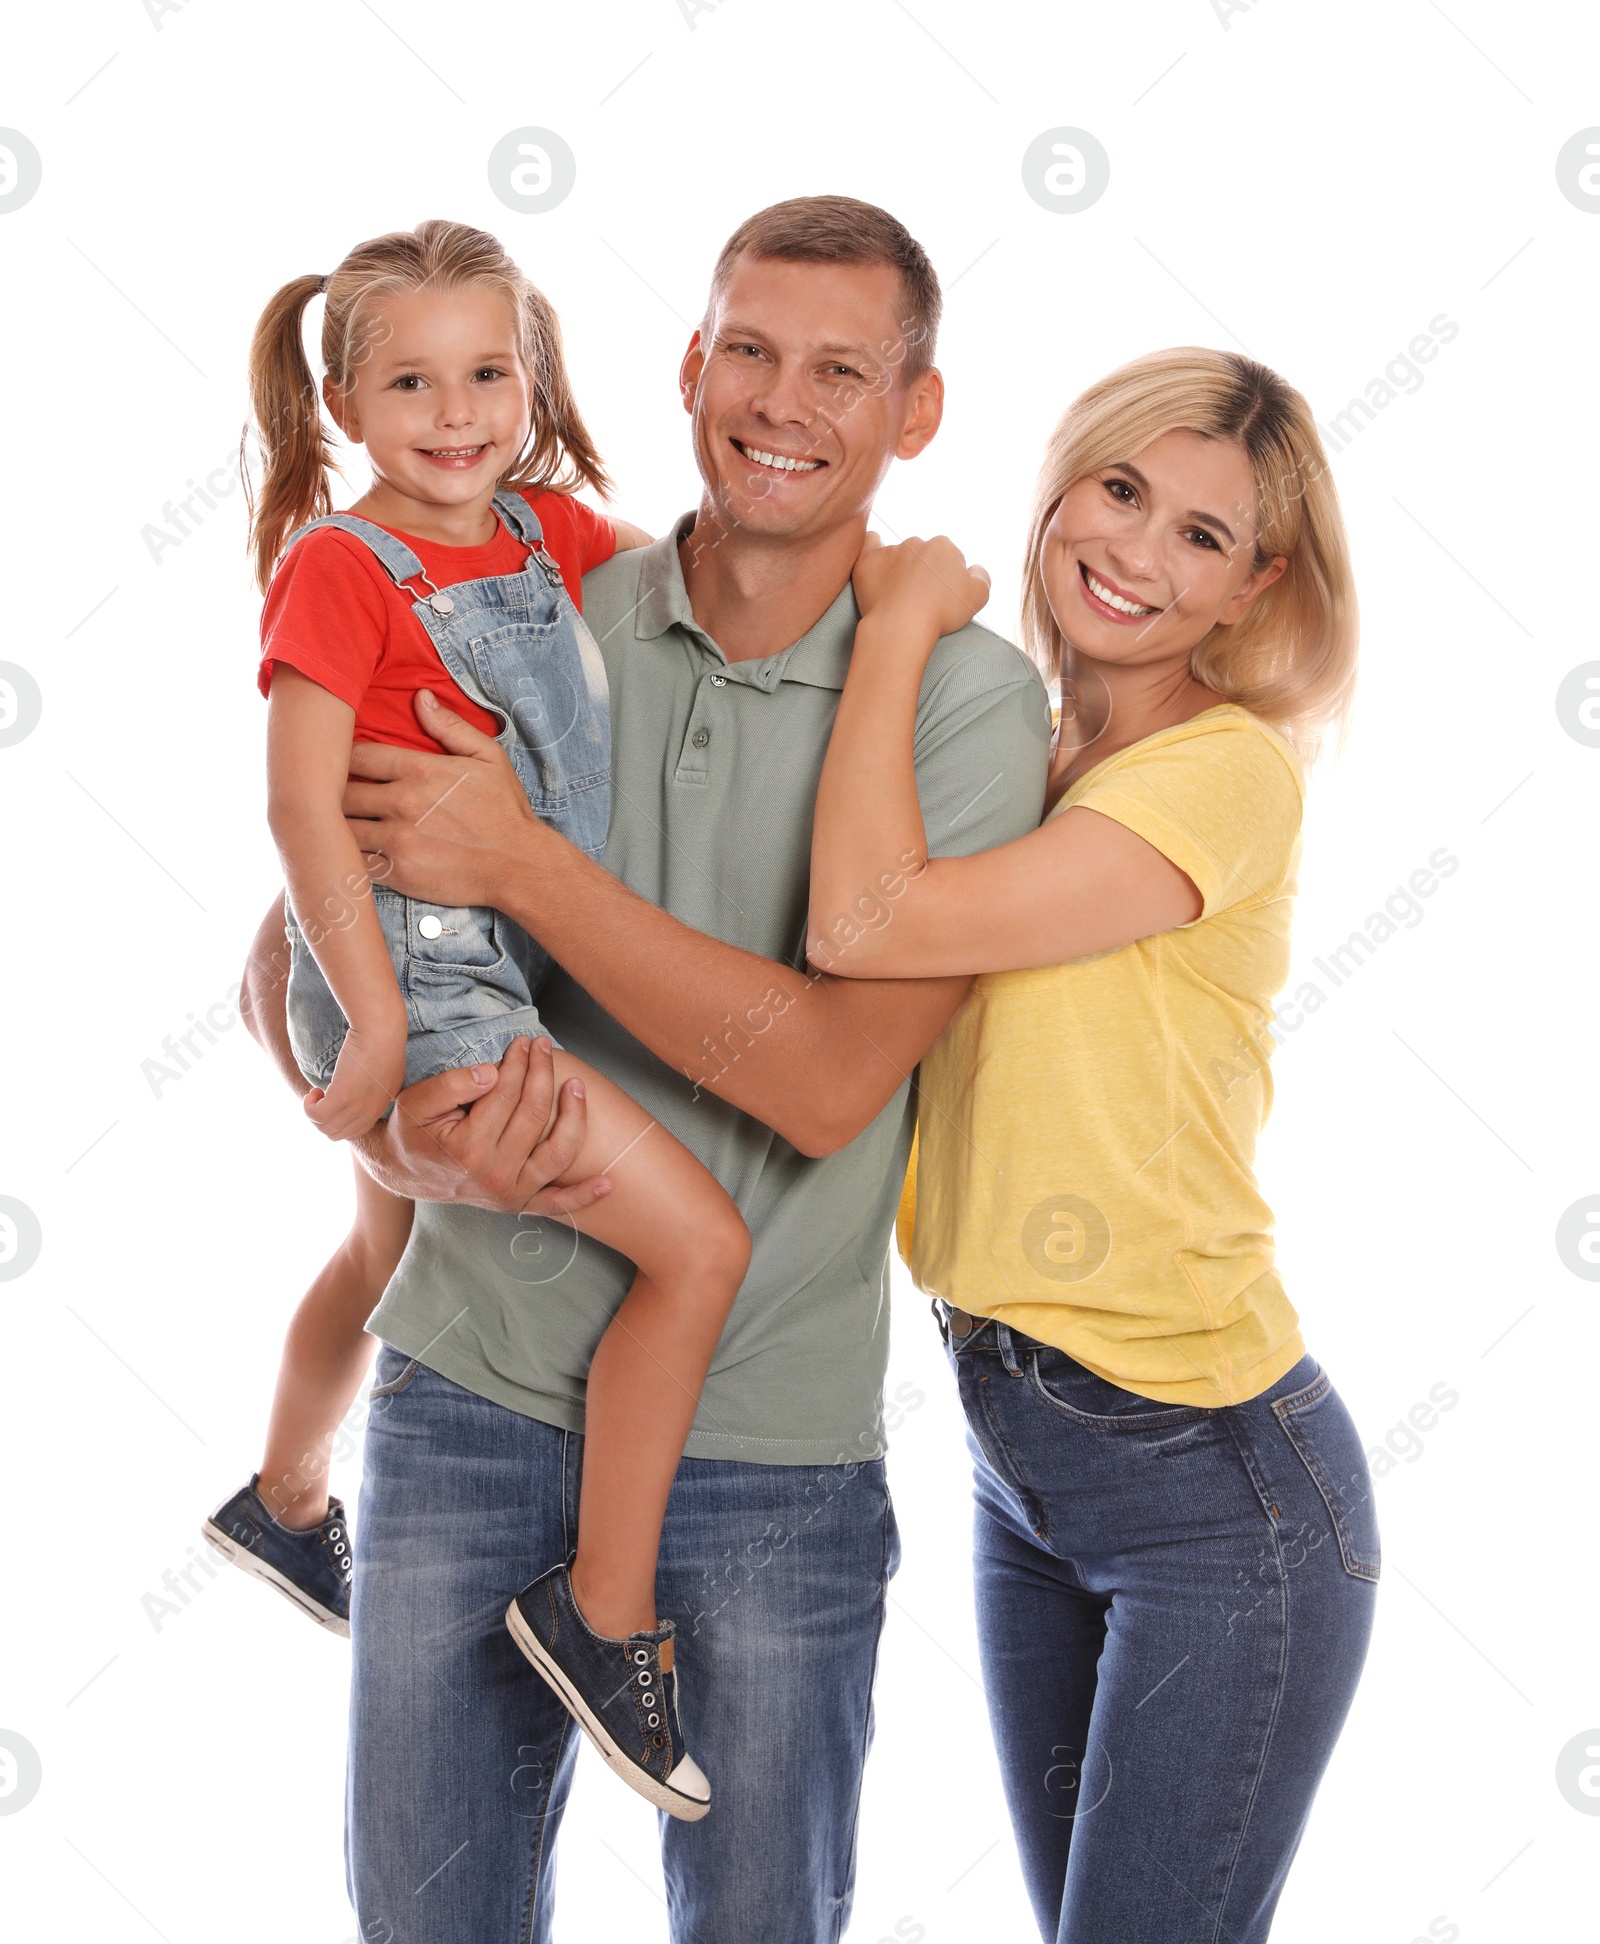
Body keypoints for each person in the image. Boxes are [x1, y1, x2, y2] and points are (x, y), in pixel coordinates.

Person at [240, 197, 1051, 1942]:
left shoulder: (965, 705)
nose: (781, 400)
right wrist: (396, 1138)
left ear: (915, 414)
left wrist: (528, 868)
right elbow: (290, 938)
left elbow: (834, 1085)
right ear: (688, 367)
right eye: (747, 351)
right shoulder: (532, 593)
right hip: (471, 1405)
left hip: (771, 1451)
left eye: (844, 371)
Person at [806, 348, 1375, 1944]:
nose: (1136, 550)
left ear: (1256, 583)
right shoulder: (1025, 752)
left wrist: (903, 629)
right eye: (1121, 490)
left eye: (1203, 534)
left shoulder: (1226, 774)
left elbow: (864, 924)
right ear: (1063, 486)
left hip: (1212, 1483)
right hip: (1018, 1448)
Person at [207, 217, 753, 1821]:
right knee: (701, 1246)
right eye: (411, 383)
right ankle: (602, 1619)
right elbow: (305, 816)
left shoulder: (547, 537)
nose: (456, 414)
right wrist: (367, 1027)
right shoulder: (338, 565)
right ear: (343, 406)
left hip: (497, 957)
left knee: (384, 1257)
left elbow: (693, 593)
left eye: (489, 372)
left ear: (533, 374)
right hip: (409, 966)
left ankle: (289, 1497)